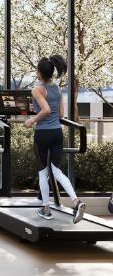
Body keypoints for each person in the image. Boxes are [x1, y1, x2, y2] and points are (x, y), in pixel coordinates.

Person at [23, 54, 86, 223]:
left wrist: (31, 120)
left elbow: (46, 110)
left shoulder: (37, 90)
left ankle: (46, 209)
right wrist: (41, 110)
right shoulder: (57, 88)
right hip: (57, 133)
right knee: (57, 171)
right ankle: (76, 201)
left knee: (42, 172)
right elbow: (60, 114)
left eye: (37, 70)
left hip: (43, 134)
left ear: (39, 72)